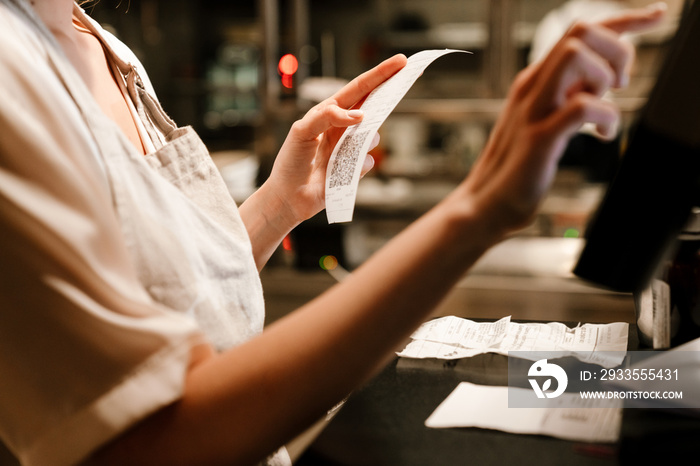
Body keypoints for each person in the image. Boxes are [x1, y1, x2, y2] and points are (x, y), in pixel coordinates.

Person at [0, 0, 665, 465]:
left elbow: (172, 296)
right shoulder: (12, 66)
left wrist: (276, 206)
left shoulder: (97, 42)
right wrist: (477, 209)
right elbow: (145, 442)